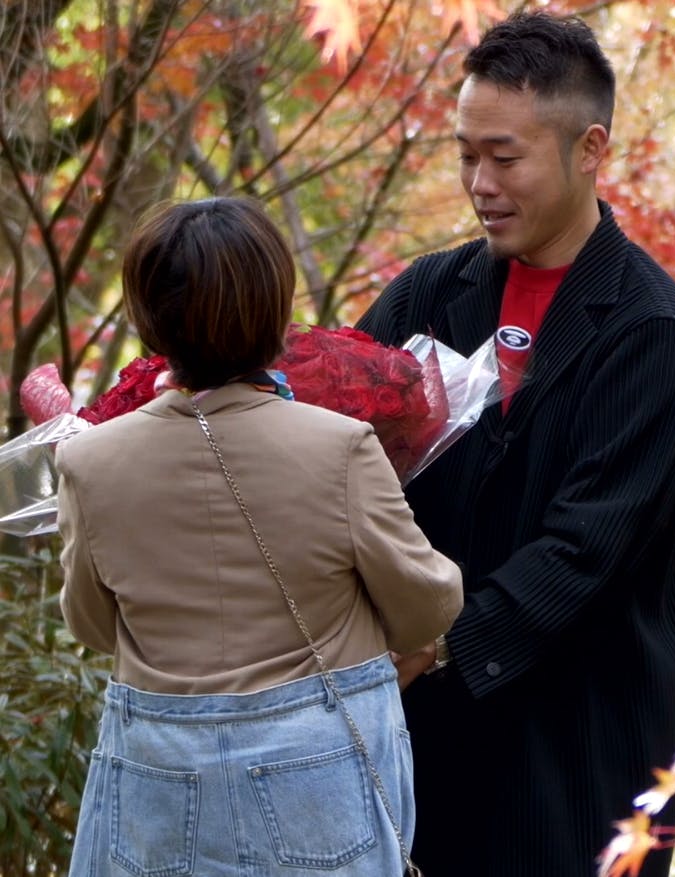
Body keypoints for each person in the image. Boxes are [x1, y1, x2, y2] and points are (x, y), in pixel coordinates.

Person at [356, 10, 675, 877]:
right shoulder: (428, 295)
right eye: (465, 155)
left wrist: (435, 645)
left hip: (574, 757)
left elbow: (583, 552)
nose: (479, 183)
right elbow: (330, 444)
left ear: (590, 149)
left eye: (504, 157)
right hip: (422, 751)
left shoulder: (657, 338)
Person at [56, 196, 463, 876]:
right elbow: (425, 606)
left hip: (158, 769)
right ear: (275, 309)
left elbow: (94, 623)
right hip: (315, 769)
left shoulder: (88, 460)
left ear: (147, 315)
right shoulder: (338, 446)